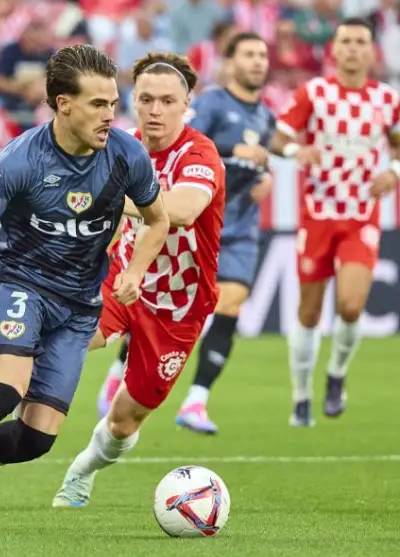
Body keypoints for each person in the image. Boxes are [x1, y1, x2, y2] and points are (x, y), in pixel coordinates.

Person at [0, 44, 170, 541]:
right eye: (98, 105)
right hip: (21, 282)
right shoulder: (19, 161)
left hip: (81, 304)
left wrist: (136, 271)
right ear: (63, 104)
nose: (112, 116)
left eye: (113, 102)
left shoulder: (127, 155)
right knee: (4, 390)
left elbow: (158, 218)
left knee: (37, 437)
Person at [51, 52, 226, 508]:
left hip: (178, 303)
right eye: (145, 99)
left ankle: (83, 467)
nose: (155, 110)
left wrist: (110, 197)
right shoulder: (117, 145)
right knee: (66, 342)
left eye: (167, 101)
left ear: (187, 104)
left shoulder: (199, 154)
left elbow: (184, 212)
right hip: (117, 280)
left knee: (125, 420)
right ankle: (14, 433)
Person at [96, 32, 275, 435]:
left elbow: (262, 154)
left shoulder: (265, 114)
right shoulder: (210, 106)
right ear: (229, 62)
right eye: (249, 53)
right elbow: (197, 150)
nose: (258, 62)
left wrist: (267, 170)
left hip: (233, 226)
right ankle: (120, 364)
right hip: (171, 229)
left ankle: (197, 397)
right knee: (139, 294)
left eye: (263, 54)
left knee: (230, 302)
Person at [268, 18, 400, 426]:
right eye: (345, 41)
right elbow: (278, 138)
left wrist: (393, 174)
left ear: (371, 51)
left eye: (360, 42)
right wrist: (297, 152)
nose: (351, 48)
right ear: (334, 50)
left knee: (350, 305)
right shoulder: (314, 93)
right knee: (309, 313)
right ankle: (300, 397)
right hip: (318, 216)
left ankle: (337, 375)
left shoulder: (387, 99)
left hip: (361, 214)